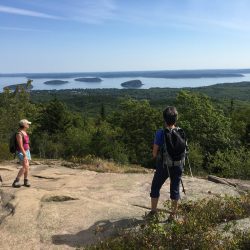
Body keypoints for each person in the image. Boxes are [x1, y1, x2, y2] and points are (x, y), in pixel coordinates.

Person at [148, 106, 185, 221]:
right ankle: (172, 216)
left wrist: (156, 156)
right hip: (178, 165)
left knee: (155, 187)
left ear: (164, 119)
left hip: (164, 166)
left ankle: (153, 212)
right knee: (175, 190)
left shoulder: (160, 133)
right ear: (176, 119)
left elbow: (154, 153)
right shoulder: (181, 132)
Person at [12, 119, 32, 188]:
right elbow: (20, 146)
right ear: (24, 125)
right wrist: (24, 154)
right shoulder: (19, 134)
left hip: (26, 151)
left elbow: (26, 142)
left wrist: (28, 149)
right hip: (21, 152)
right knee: (25, 166)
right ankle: (16, 181)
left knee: (27, 166)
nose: (28, 125)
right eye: (27, 124)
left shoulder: (25, 132)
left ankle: (26, 181)